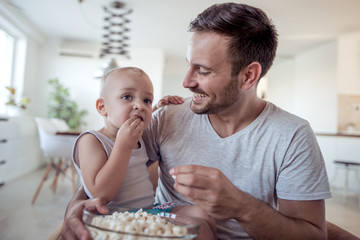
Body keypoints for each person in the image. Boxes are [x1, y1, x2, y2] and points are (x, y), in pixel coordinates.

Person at [60, 3, 358, 240]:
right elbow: (110, 169)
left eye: (202, 71)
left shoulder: (292, 136)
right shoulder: (166, 118)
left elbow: (312, 234)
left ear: (248, 76)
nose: (187, 82)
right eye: (189, 65)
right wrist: (75, 208)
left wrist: (241, 207)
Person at [71, 66, 216, 239]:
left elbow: (138, 155)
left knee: (202, 216)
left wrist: (158, 109)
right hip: (113, 217)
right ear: (102, 107)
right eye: (127, 97)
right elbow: (100, 194)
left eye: (146, 100)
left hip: (149, 210)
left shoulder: (137, 138)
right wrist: (123, 146)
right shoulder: (91, 140)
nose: (140, 106)